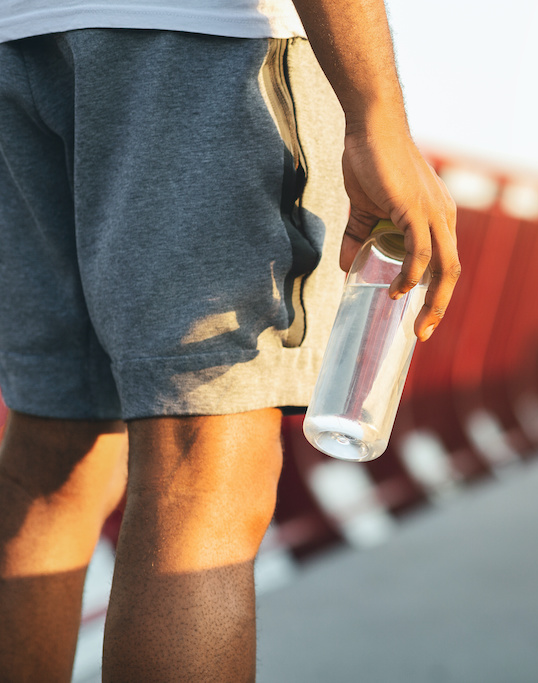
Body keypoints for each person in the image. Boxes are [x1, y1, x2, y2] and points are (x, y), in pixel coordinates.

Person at [0, 0, 460, 680]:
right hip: (204, 39)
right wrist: (375, 116)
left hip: (18, 39)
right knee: (201, 467)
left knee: (52, 457)